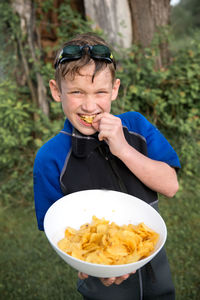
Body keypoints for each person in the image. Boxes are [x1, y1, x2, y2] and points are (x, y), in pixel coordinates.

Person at [33, 32, 181, 300]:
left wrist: (123, 148)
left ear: (114, 89)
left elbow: (170, 186)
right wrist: (87, 262)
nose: (90, 105)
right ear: (57, 91)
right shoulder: (49, 158)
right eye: (77, 92)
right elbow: (56, 229)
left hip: (152, 261)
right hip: (98, 277)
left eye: (100, 91)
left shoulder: (135, 126)